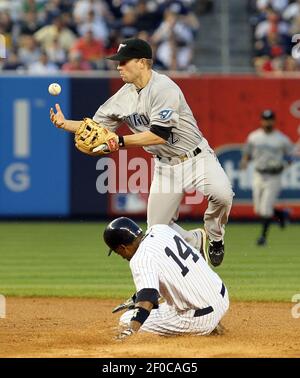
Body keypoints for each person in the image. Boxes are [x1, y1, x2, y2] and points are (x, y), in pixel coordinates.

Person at [49, 38, 234, 267]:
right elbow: (96, 129)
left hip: (196, 156)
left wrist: (118, 142)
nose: (118, 67)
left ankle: (215, 236)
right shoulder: (122, 96)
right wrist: (66, 124)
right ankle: (194, 240)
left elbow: (159, 134)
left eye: (124, 62)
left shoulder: (164, 88)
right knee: (156, 232)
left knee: (223, 195)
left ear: (143, 63)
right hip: (166, 166)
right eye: (118, 62)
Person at [103, 217, 229, 339]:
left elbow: (148, 297)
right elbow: (172, 273)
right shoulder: (161, 229)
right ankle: (214, 323)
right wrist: (138, 297)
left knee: (125, 319)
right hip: (221, 297)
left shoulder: (140, 259)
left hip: (199, 320)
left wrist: (131, 330)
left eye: (117, 252)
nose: (121, 256)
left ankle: (203, 331)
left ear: (122, 247)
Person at [240, 109, 294, 246]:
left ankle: (262, 238)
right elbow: (247, 152)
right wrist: (245, 161)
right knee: (258, 209)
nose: (267, 122)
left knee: (265, 209)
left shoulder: (281, 139)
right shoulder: (254, 137)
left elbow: (290, 156)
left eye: (270, 119)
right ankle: (281, 215)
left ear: (274, 121)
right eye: (265, 119)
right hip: (258, 174)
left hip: (273, 176)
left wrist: (284, 165)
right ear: (261, 120)